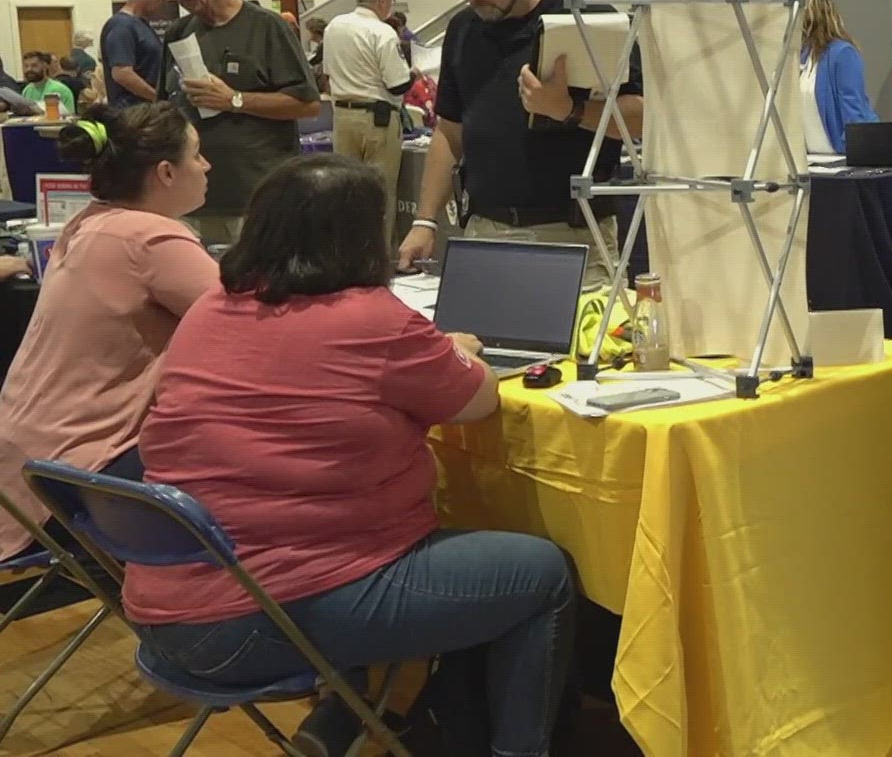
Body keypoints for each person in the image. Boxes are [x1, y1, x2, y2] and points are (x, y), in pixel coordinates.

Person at [127, 155, 577, 757]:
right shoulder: (373, 321)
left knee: (368, 537)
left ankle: (341, 720)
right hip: (259, 618)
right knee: (540, 572)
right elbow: (477, 400)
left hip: (167, 607)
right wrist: (459, 349)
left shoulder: (212, 308)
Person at [0, 103, 215, 584]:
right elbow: (250, 324)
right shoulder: (152, 237)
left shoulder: (90, 221)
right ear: (165, 171)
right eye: (198, 155)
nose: (207, 166)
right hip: (74, 476)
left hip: (24, 459)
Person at [395, 0, 644, 287]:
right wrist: (425, 220)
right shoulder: (464, 29)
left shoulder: (591, 21)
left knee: (584, 346)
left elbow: (642, 119)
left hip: (574, 236)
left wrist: (568, 109)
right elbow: (449, 131)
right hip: (484, 233)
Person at [155, 0, 321, 246]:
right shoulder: (178, 32)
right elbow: (164, 105)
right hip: (193, 201)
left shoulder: (267, 27)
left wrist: (235, 100)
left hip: (257, 197)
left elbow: (307, 104)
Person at [324, 0, 414, 229]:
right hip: (377, 120)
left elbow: (327, 73)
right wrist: (414, 74)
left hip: (342, 117)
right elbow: (397, 84)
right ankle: (377, 262)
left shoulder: (334, 26)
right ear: (382, 0)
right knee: (379, 195)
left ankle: (345, 257)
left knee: (345, 194)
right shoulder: (382, 31)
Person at [797, 0, 878, 156]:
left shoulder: (843, 53)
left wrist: (858, 149)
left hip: (841, 153)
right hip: (812, 156)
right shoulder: (801, 56)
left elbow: (852, 105)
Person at [102, 0, 169, 107]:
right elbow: (122, 74)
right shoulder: (122, 26)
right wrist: (158, 98)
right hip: (132, 116)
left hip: (145, 112)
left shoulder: (141, 25)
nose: (164, 2)